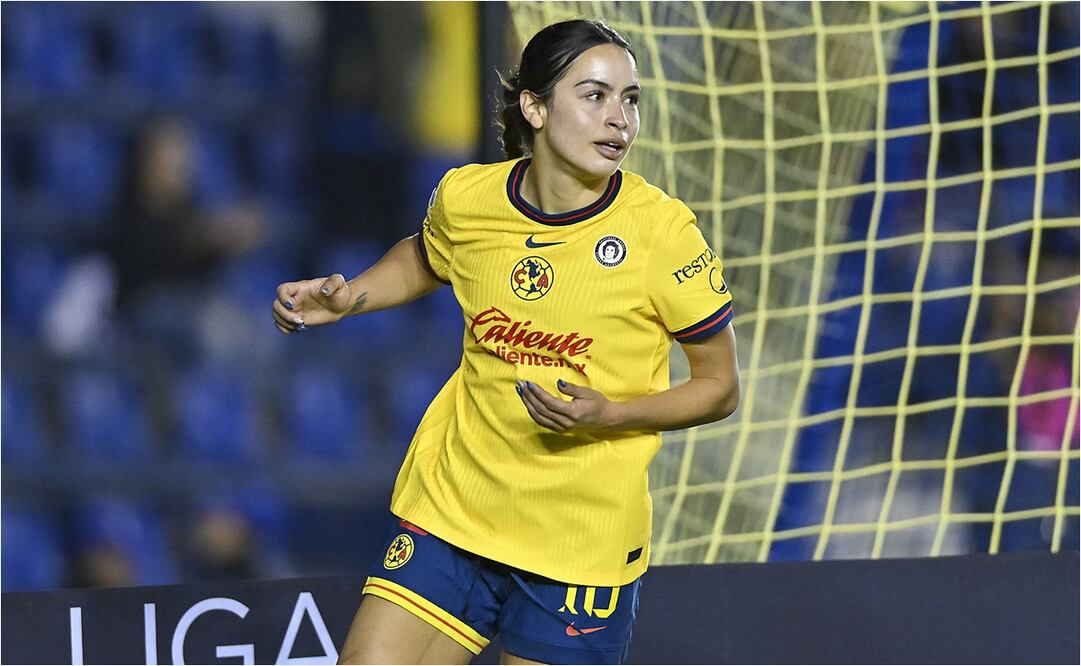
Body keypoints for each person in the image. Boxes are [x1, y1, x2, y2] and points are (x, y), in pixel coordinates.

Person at [272, 19, 740, 665]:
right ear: (535, 108)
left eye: (630, 100)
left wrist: (611, 415)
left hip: (578, 548)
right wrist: (351, 297)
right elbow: (425, 256)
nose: (619, 120)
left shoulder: (663, 234)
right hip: (455, 512)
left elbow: (719, 387)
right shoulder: (468, 198)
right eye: (595, 95)